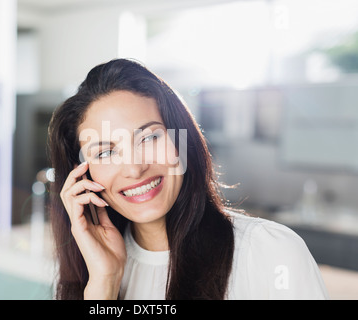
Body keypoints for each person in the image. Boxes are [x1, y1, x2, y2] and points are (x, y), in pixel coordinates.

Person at [47, 58, 328, 300]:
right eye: (106, 152)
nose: (134, 169)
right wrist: (104, 283)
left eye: (150, 137)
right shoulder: (91, 267)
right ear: (82, 173)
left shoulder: (272, 253)